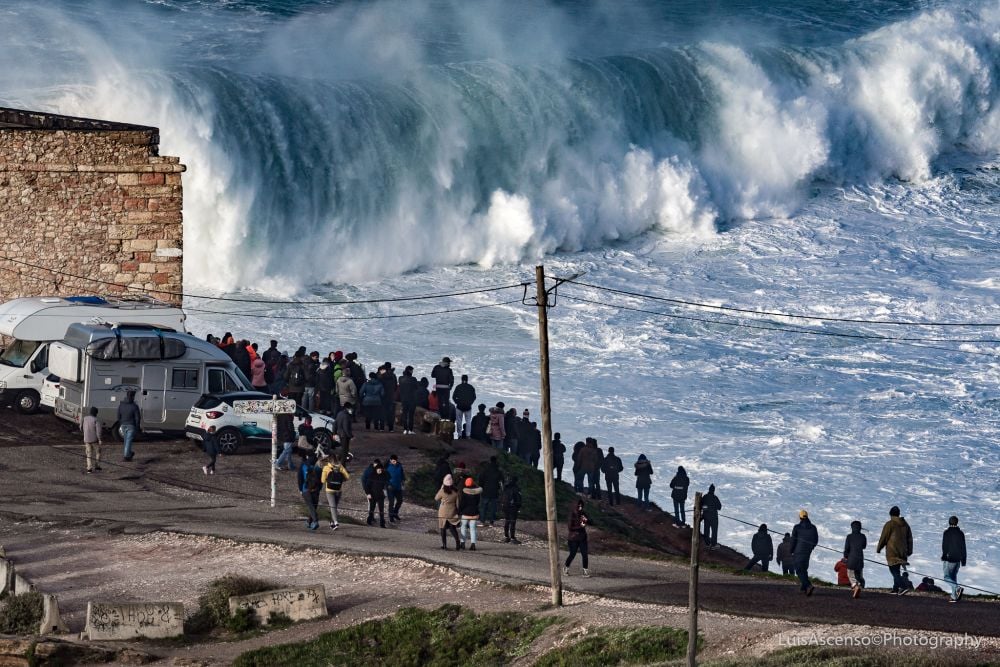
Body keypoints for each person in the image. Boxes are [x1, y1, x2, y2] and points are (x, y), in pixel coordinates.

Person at [876, 505, 914, 595]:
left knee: (893, 570)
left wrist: (879, 548)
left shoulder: (890, 524)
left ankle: (903, 587)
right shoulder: (906, 524)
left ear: (890, 514)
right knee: (896, 570)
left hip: (892, 551)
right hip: (903, 552)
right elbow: (910, 539)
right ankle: (895, 589)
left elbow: (884, 538)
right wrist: (909, 551)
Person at [791, 510, 818, 596]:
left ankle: (808, 585)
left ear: (800, 517)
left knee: (799, 570)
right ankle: (804, 587)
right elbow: (815, 540)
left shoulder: (797, 527)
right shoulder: (813, 527)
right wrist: (811, 548)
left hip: (798, 551)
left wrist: (791, 551)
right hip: (807, 552)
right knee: (804, 568)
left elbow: (793, 541)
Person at [941, 515, 966, 603]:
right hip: (957, 559)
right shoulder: (961, 533)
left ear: (949, 522)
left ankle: (957, 588)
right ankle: (954, 596)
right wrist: (963, 560)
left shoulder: (947, 532)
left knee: (946, 577)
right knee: (953, 578)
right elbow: (963, 547)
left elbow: (944, 546)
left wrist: (944, 556)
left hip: (949, 559)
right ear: (957, 522)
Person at [321, 454, 349, 530]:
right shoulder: (340, 466)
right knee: (334, 507)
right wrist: (341, 479)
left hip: (329, 490)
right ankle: (332, 523)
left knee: (332, 507)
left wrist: (328, 479)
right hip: (338, 490)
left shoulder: (326, 467)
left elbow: (322, 480)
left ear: (329, 459)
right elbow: (347, 477)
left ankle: (336, 522)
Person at [563, 499, 591, 577]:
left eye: (582, 506)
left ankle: (585, 571)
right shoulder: (572, 514)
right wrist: (580, 526)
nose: (580, 507)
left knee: (585, 555)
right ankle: (566, 568)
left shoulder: (583, 513)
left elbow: (587, 522)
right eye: (579, 506)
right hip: (573, 538)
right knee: (572, 554)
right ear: (575, 506)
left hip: (582, 537)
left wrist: (585, 521)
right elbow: (570, 528)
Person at [435, 474, 462, 550]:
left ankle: (444, 545)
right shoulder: (456, 492)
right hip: (452, 512)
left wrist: (441, 488)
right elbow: (458, 504)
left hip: (443, 512)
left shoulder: (442, 491)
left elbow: (436, 498)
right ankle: (457, 543)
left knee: (443, 528)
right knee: (452, 528)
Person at [297, 452, 322, 531]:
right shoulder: (318, 466)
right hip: (316, 489)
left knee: (310, 506)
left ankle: (315, 521)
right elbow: (321, 480)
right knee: (314, 506)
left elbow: (300, 479)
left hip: (306, 488)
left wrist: (301, 489)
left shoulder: (303, 465)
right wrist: (319, 488)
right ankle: (309, 521)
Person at [843, 520, 867, 598]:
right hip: (860, 558)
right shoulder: (863, 536)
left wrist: (845, 556)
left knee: (850, 574)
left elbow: (847, 548)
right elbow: (864, 546)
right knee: (859, 575)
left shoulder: (849, 536)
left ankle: (855, 586)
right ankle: (860, 585)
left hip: (851, 558)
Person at [458, 477, 482, 551]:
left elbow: (462, 504)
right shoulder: (477, 493)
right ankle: (473, 544)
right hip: (474, 513)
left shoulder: (464, 493)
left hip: (465, 513)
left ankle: (462, 543)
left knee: (463, 528)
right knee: (473, 529)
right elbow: (478, 503)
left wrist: (459, 511)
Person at [117, 390, 141, 462]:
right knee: (128, 441)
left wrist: (121, 423)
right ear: (133, 396)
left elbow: (118, 416)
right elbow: (137, 418)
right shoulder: (135, 406)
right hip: (131, 425)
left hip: (123, 424)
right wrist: (137, 427)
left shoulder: (121, 405)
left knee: (126, 441)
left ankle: (129, 454)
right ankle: (127, 456)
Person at [363, 460, 389, 528]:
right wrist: (368, 493)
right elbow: (367, 486)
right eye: (379, 469)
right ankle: (369, 520)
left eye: (381, 469)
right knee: (372, 509)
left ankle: (382, 524)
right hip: (372, 495)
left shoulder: (384, 475)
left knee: (381, 510)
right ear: (376, 469)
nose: (380, 470)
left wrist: (386, 490)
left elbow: (386, 484)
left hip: (380, 495)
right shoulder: (372, 475)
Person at [479, 456, 503, 526]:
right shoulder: (498, 471)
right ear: (496, 461)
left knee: (483, 507)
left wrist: (482, 487)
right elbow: (501, 482)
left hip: (485, 491)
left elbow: (481, 480)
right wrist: (499, 489)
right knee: (493, 508)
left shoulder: (485, 470)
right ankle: (491, 522)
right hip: (494, 492)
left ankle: (482, 521)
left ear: (490, 461)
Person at [398, 366, 419, 434]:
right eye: (412, 370)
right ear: (410, 371)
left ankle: (405, 429)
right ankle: (410, 430)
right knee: (411, 415)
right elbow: (416, 387)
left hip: (404, 399)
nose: (412, 372)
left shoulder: (400, 378)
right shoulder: (413, 379)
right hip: (412, 399)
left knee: (404, 414)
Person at [81, 406, 103, 473]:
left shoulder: (84, 418)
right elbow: (98, 431)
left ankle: (89, 468)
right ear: (96, 413)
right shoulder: (96, 420)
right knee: (98, 452)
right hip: (94, 440)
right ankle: (97, 465)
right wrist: (99, 439)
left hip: (86, 439)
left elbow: (80, 427)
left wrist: (85, 433)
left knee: (88, 453)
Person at [502, 476, 523, 544]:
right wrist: (518, 507)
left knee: (507, 521)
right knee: (513, 522)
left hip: (505, 506)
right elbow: (518, 499)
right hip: (513, 507)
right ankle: (513, 538)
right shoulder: (516, 488)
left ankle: (506, 537)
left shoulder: (505, 487)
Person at [386, 454, 406, 523]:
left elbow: (402, 474)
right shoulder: (387, 467)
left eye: (395, 461)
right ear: (390, 460)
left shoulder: (399, 466)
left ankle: (395, 513)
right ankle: (391, 517)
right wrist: (387, 485)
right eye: (393, 461)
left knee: (400, 501)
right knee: (391, 503)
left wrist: (403, 482)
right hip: (390, 488)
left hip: (398, 487)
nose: (395, 462)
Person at [379, 362, 398, 432]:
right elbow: (396, 387)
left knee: (382, 412)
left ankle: (381, 428)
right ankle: (391, 428)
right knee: (390, 413)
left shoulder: (382, 375)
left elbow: (378, 379)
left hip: (383, 396)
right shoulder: (393, 375)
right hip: (391, 396)